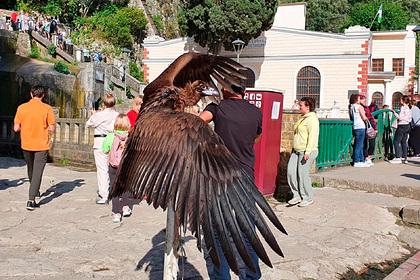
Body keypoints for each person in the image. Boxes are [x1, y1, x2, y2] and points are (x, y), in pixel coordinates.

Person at [200, 85, 262, 279]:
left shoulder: (217, 107)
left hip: (220, 178)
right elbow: (257, 137)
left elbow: (198, 122)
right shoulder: (256, 111)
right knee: (247, 230)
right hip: (245, 177)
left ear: (226, 87)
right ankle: (251, 276)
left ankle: (221, 276)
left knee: (217, 232)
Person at [13, 85, 56, 210]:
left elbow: (16, 128)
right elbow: (52, 128)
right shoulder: (47, 108)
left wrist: (25, 128)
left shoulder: (22, 108)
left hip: (26, 143)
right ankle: (31, 199)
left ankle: (35, 189)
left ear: (31, 94)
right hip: (41, 144)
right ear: (43, 95)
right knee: (38, 170)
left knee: (31, 168)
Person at [86, 93, 119, 204]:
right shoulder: (117, 115)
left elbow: (88, 124)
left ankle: (104, 194)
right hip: (113, 142)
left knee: (102, 169)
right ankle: (114, 191)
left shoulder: (99, 115)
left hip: (100, 142)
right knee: (114, 168)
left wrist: (94, 114)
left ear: (104, 103)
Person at [287, 97, 319, 207]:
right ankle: (296, 195)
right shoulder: (303, 118)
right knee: (291, 172)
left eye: (301, 105)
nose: (299, 107)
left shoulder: (312, 119)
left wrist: (308, 152)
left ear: (308, 106)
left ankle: (307, 197)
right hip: (296, 150)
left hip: (306, 151)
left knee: (302, 174)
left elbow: (312, 137)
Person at [102, 114, 133, 223]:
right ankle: (125, 207)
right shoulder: (130, 138)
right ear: (128, 125)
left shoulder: (111, 136)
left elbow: (104, 149)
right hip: (125, 167)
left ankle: (116, 213)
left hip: (113, 167)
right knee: (125, 187)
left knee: (114, 189)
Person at [390, 96, 412, 164]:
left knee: (396, 141)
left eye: (401, 100)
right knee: (404, 142)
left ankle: (397, 157)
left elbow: (400, 117)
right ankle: (404, 158)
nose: (400, 101)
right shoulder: (409, 108)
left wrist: (394, 113)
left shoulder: (403, 108)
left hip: (402, 125)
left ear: (403, 101)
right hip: (407, 125)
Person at [349, 94, 369, 167]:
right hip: (361, 126)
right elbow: (364, 117)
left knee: (358, 144)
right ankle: (357, 160)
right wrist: (367, 119)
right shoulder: (359, 107)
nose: (360, 100)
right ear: (356, 100)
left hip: (355, 126)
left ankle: (361, 160)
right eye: (358, 98)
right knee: (360, 145)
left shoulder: (351, 107)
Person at [360, 95, 376, 166]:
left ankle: (368, 157)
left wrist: (375, 128)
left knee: (372, 143)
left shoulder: (367, 107)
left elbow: (371, 118)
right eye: (363, 99)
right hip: (363, 126)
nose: (364, 101)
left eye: (364, 99)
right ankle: (366, 157)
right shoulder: (359, 107)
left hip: (370, 126)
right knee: (364, 143)